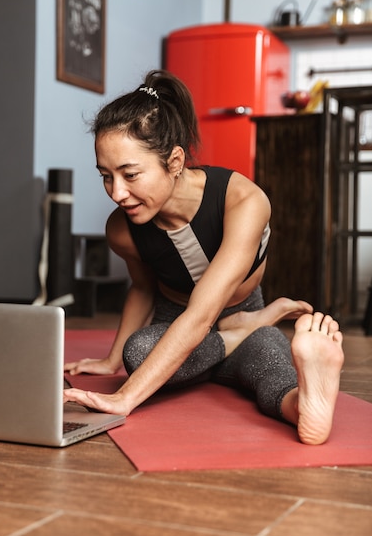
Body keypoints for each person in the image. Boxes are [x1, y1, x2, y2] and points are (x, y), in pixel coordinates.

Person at [64, 69, 344, 446]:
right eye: (106, 176)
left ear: (175, 161)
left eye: (130, 174)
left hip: (227, 310)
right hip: (177, 319)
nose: (116, 192)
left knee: (268, 363)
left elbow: (201, 315)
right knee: (139, 352)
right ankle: (244, 329)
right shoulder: (122, 230)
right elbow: (144, 289)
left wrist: (124, 398)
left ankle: (303, 405)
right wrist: (113, 361)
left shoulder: (242, 201)